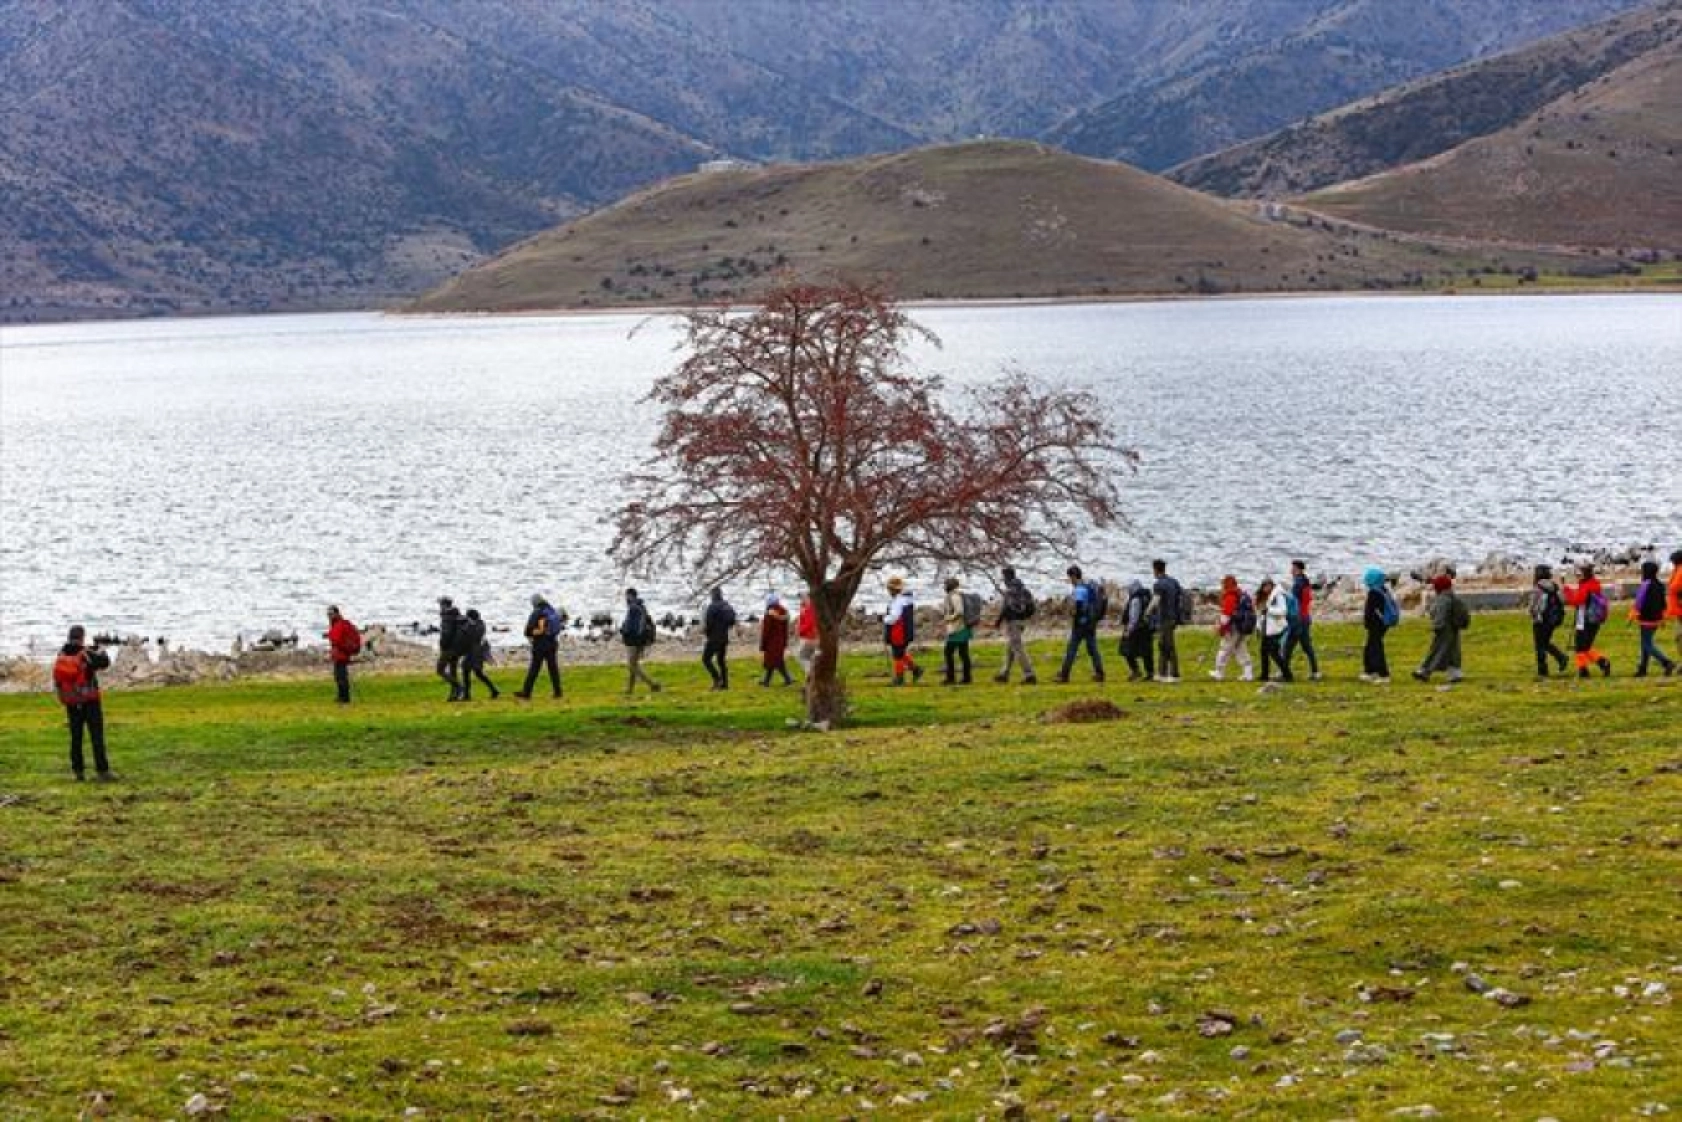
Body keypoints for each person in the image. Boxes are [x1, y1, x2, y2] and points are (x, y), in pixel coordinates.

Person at [53, 625, 113, 782]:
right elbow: (105, 662)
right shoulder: (85, 653)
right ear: (82, 637)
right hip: (90, 700)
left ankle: (78, 771)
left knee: (76, 737)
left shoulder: (62, 653)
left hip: (71, 700)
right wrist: (100, 648)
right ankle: (102, 771)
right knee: (96, 736)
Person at [1413, 574, 1469, 683]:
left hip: (1443, 629)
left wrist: (1436, 626)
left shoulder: (1443, 599)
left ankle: (1424, 671)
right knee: (1453, 651)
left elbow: (1440, 614)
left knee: (1436, 650)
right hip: (1453, 628)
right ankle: (1455, 673)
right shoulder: (1453, 597)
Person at [1055, 565, 1104, 683]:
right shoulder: (1087, 587)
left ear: (1073, 576)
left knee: (1071, 649)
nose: (1070, 581)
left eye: (1070, 577)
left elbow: (1079, 606)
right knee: (1093, 648)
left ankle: (1064, 674)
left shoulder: (1079, 590)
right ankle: (1100, 673)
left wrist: (1074, 617)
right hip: (1091, 622)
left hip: (1081, 624)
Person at [1562, 563, 1612, 679]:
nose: (1578, 576)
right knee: (1586, 646)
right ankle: (1598, 664)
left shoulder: (1586, 586)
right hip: (1594, 620)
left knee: (1581, 647)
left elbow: (1576, 601)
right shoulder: (1594, 584)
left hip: (1584, 620)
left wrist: (1566, 590)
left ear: (1584, 574)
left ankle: (1589, 668)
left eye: (1579, 574)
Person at [1629, 560, 1677, 678]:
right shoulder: (1660, 585)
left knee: (1647, 644)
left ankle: (1666, 662)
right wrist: (1663, 617)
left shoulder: (1645, 585)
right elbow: (1663, 603)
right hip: (1657, 618)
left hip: (1646, 618)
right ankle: (1643, 668)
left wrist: (1632, 615)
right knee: (1645, 643)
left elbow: (1639, 603)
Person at [992, 566, 1037, 684]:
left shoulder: (1010, 591)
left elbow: (1005, 608)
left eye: (1004, 577)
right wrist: (1025, 617)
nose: (1004, 580)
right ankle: (1004, 673)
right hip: (1022, 622)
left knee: (1018, 648)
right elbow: (1032, 608)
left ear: (1007, 576)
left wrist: (998, 622)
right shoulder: (1025, 590)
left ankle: (1029, 674)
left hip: (1012, 622)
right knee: (1010, 648)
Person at [515, 593, 564, 699]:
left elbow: (528, 630)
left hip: (540, 644)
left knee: (534, 669)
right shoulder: (551, 610)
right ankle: (558, 692)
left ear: (534, 603)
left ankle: (526, 692)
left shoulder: (537, 612)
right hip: (552, 643)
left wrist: (532, 634)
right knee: (553, 668)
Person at [1281, 560, 1322, 681]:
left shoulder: (1298, 584)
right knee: (1307, 646)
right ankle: (1315, 671)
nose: (1291, 571)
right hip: (1305, 617)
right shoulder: (1306, 581)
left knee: (1287, 646)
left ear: (1298, 569)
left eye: (1293, 568)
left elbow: (1294, 603)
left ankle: (1285, 672)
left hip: (1297, 619)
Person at [1528, 564, 1569, 678]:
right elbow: (1563, 600)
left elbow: (1532, 606)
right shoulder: (1555, 587)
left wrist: (1532, 615)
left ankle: (1543, 670)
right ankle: (1560, 658)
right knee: (1545, 642)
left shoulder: (1537, 588)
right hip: (1552, 620)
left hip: (1540, 620)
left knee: (1540, 645)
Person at [1210, 574, 1253, 681]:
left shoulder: (1230, 595)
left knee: (1224, 649)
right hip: (1242, 627)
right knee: (1241, 649)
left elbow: (1227, 615)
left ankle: (1219, 672)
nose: (1222, 586)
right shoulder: (1240, 593)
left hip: (1232, 628)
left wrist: (1219, 627)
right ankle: (1248, 674)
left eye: (1223, 583)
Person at [620, 588, 662, 695]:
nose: (626, 598)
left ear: (631, 596)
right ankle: (630, 689)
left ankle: (652, 684)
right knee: (633, 665)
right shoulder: (641, 607)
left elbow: (632, 626)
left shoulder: (634, 608)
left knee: (632, 666)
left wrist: (624, 631)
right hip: (640, 640)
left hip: (634, 641)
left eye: (627, 596)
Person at [1147, 559, 1183, 683]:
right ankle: (1161, 673)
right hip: (1173, 617)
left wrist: (1147, 612)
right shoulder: (1173, 582)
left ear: (1155, 570)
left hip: (1164, 618)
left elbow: (1156, 600)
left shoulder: (1159, 584)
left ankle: (1174, 674)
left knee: (1168, 646)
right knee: (1162, 645)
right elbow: (1180, 597)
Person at [882, 576, 922, 685]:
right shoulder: (906, 600)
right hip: (906, 630)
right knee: (901, 653)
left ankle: (899, 679)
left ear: (892, 590)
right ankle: (916, 670)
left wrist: (885, 619)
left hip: (899, 631)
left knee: (897, 655)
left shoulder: (898, 602)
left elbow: (894, 617)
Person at [1358, 568, 1394, 683]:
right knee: (1370, 647)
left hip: (1375, 624)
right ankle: (1370, 671)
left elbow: (1369, 611)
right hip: (1383, 623)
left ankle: (1383, 674)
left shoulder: (1373, 592)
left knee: (1376, 648)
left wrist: (1366, 624)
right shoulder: (1383, 589)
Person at [1257, 578, 1293, 683]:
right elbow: (1263, 614)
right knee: (1263, 652)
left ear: (1271, 586)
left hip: (1275, 628)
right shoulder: (1270, 597)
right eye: (1263, 586)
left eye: (1266, 586)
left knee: (1273, 653)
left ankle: (1287, 674)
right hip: (1267, 628)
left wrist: (1269, 610)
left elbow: (1283, 611)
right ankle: (1264, 675)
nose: (1265, 589)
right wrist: (1259, 627)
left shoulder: (1278, 596)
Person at [458, 608, 500, 699]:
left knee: (466, 671)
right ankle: (493, 690)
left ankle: (467, 695)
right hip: (478, 652)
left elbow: (468, 635)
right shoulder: (481, 624)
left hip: (474, 653)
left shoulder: (474, 627)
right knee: (478, 673)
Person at [701, 587, 737, 690]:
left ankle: (717, 679)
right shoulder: (727, 605)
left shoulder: (712, 607)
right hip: (724, 637)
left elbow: (708, 623)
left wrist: (707, 634)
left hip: (713, 637)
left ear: (712, 595)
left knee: (706, 659)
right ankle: (725, 684)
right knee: (721, 661)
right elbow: (732, 620)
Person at [940, 577, 974, 686]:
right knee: (963, 653)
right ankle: (967, 677)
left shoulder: (954, 596)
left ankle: (951, 677)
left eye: (945, 585)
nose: (944, 587)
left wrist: (949, 618)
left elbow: (959, 611)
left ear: (949, 586)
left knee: (948, 652)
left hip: (957, 629)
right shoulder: (958, 595)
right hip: (963, 628)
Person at [1118, 578, 1154, 682]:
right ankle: (1150, 673)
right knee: (1147, 653)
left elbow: (1134, 616)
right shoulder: (1147, 596)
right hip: (1147, 628)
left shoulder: (1135, 600)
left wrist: (1128, 630)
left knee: (1126, 651)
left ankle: (1136, 671)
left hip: (1136, 629)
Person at [324, 604, 361, 703]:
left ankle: (344, 698)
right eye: (328, 614)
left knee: (341, 677)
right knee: (339, 676)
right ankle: (342, 696)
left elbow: (337, 639)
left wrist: (331, 637)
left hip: (341, 653)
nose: (329, 616)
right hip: (340, 653)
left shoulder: (340, 624)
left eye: (331, 614)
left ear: (336, 613)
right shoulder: (338, 624)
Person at [760, 594, 793, 686]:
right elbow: (785, 629)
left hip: (771, 642)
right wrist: (785, 642)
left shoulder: (769, 614)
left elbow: (766, 631)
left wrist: (762, 645)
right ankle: (767, 681)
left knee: (774, 661)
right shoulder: (784, 612)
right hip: (781, 640)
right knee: (776, 661)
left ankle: (787, 679)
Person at [437, 596, 465, 701]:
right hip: (457, 648)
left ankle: (460, 687)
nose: (439, 607)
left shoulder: (447, 617)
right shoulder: (456, 615)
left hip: (448, 648)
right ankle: (453, 695)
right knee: (453, 671)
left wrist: (443, 646)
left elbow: (446, 634)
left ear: (444, 605)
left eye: (440, 605)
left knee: (440, 670)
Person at [795, 595, 820, 680]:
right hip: (811, 636)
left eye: (804, 598)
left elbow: (810, 623)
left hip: (808, 637)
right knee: (809, 656)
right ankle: (811, 676)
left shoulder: (810, 609)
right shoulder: (806, 608)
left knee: (800, 656)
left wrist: (800, 630)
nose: (802, 600)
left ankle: (810, 672)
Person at [1668, 549, 1682, 664]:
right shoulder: (1677, 570)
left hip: (1680, 609)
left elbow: (1674, 588)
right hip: (1678, 609)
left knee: (1679, 637)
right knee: (1678, 637)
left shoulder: (1680, 571)